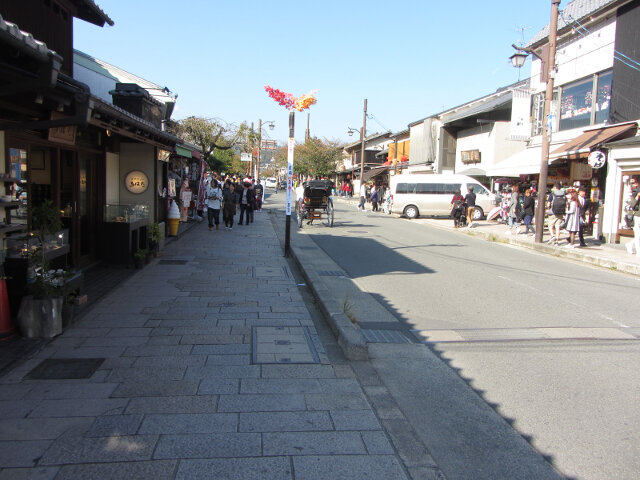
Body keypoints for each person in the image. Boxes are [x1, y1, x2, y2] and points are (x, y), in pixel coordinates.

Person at [625, 176, 640, 256]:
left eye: (633, 183)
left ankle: (630, 245)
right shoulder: (636, 192)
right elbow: (631, 204)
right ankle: (638, 252)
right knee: (637, 234)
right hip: (637, 215)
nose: (632, 185)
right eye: (631, 183)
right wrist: (637, 197)